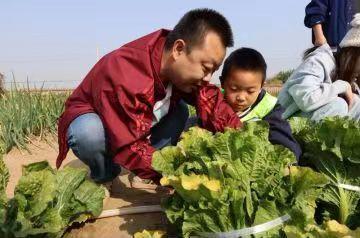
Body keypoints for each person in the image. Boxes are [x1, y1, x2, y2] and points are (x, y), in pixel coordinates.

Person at [56, 8, 240, 190]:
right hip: (98, 119)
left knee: (180, 111)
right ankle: (105, 174)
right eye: (206, 68)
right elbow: (129, 145)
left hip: (135, 121)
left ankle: (144, 172)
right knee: (88, 134)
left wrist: (239, 134)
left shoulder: (174, 62)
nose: (208, 78)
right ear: (178, 49)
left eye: (213, 71)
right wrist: (174, 176)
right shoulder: (127, 74)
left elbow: (210, 100)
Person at [188, 48, 302, 160]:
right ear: (222, 82)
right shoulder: (213, 102)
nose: (241, 98)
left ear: (261, 86)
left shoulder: (270, 108)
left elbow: (286, 146)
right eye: (234, 89)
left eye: (250, 91)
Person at [278, 14, 360, 121]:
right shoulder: (319, 61)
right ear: (351, 54)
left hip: (312, 122)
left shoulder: (346, 75)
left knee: (357, 104)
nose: (357, 75)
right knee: (337, 105)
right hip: (285, 124)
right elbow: (306, 100)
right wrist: (342, 86)